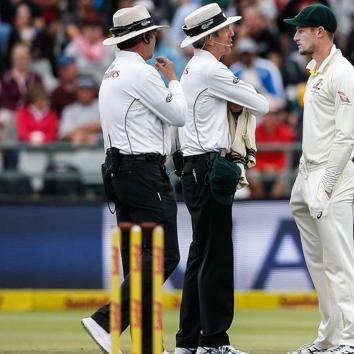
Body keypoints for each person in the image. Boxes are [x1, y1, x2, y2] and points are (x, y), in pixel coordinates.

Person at [80, 5, 186, 354]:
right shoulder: (141, 73)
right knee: (164, 255)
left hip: (119, 171)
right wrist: (174, 81)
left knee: (138, 260)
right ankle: (105, 320)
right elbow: (177, 114)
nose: (155, 38)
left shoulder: (111, 71)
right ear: (144, 37)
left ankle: (144, 344)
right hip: (142, 172)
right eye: (153, 34)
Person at [174, 4, 269, 354]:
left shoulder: (193, 68)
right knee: (215, 257)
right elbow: (262, 105)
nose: (231, 34)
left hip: (195, 167)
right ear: (211, 36)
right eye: (225, 30)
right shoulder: (211, 70)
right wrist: (239, 99)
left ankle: (188, 341)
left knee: (201, 254)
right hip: (208, 167)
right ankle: (213, 341)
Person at [284, 4, 354, 354]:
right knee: (319, 265)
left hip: (330, 178)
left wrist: (326, 184)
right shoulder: (316, 71)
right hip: (308, 174)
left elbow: (345, 139)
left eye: (301, 30)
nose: (295, 36)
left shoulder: (344, 73)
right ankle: (331, 337)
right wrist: (307, 181)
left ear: (320, 32)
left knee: (338, 262)